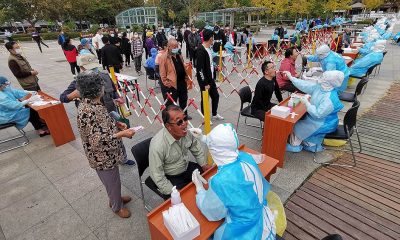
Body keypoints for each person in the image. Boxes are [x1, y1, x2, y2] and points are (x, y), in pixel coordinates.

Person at [190, 123, 277, 240]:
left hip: (243, 232)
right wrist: (204, 138)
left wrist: (199, 189)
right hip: (261, 218)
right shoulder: (246, 157)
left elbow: (211, 212)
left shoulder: (220, 181)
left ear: (214, 150)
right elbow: (224, 149)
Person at [76, 71, 136, 218]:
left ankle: (115, 198)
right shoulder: (88, 111)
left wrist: (117, 125)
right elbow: (99, 140)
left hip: (108, 154)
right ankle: (117, 207)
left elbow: (102, 125)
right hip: (102, 157)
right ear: (96, 89)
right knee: (112, 182)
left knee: (113, 182)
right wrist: (122, 134)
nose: (104, 87)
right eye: (101, 85)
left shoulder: (93, 104)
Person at [60, 54, 135, 166]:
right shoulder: (79, 83)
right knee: (104, 140)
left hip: (111, 113)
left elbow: (113, 91)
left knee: (119, 136)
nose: (93, 70)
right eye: (89, 68)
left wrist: (116, 98)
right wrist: (73, 95)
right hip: (95, 119)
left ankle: (122, 158)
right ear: (82, 67)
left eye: (94, 67)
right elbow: (63, 98)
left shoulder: (105, 76)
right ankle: (109, 162)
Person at [148, 105, 210, 196]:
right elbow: (157, 175)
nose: (184, 123)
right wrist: (173, 192)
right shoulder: (158, 145)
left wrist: (204, 164)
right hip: (171, 176)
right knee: (188, 199)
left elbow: (196, 148)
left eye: (185, 118)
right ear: (168, 126)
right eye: (179, 122)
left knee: (209, 181)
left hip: (186, 167)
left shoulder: (186, 132)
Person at [284, 70, 344, 152]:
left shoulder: (330, 99)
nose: (321, 78)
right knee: (304, 127)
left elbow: (318, 114)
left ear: (330, 82)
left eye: (324, 77)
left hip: (322, 123)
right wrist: (292, 78)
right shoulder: (322, 87)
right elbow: (306, 85)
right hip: (316, 119)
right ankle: (310, 144)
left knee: (297, 126)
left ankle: (294, 146)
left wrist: (307, 103)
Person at [196, 29, 224, 121]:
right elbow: (199, 69)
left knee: (215, 96)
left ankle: (214, 114)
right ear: (210, 38)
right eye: (213, 37)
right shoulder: (201, 50)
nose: (214, 39)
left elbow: (209, 64)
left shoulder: (209, 49)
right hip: (205, 81)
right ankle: (205, 118)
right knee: (205, 99)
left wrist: (215, 68)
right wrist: (204, 83)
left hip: (211, 78)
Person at [159, 39, 191, 116]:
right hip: (172, 85)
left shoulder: (179, 54)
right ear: (169, 47)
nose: (176, 48)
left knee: (183, 100)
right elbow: (162, 74)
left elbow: (182, 65)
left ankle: (184, 115)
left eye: (177, 46)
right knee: (172, 104)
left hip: (182, 82)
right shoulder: (164, 57)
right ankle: (174, 118)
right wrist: (167, 84)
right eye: (174, 47)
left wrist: (186, 77)